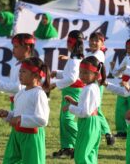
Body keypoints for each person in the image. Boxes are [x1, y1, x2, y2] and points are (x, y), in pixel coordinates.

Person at [0, 57, 50, 164]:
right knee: (10, 161)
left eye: (24, 71)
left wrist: (20, 119)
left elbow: (42, 120)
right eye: (20, 71)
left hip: (32, 137)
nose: (20, 74)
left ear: (35, 75)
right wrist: (8, 115)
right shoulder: (21, 93)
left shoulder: (39, 94)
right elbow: (18, 113)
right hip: (17, 134)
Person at [63, 56, 104, 164]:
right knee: (89, 154)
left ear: (96, 74)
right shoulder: (91, 87)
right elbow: (87, 106)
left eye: (86, 73)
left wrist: (70, 108)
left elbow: (85, 112)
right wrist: (74, 102)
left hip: (88, 123)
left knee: (81, 155)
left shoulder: (90, 89)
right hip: (91, 122)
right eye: (80, 72)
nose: (82, 75)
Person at [50, 30, 84, 158]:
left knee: (67, 119)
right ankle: (68, 147)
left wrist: (55, 84)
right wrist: (58, 73)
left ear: (73, 43)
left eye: (68, 41)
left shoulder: (75, 59)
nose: (67, 44)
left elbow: (72, 79)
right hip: (69, 90)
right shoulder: (74, 58)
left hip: (74, 90)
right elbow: (69, 75)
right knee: (63, 119)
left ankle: (83, 138)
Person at [0, 33, 35, 109]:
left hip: (24, 105)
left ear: (27, 48)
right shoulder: (16, 64)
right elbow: (12, 84)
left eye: (16, 47)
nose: (13, 49)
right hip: (16, 103)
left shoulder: (29, 65)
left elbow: (19, 87)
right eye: (13, 47)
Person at [86, 32, 114, 145]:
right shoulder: (92, 53)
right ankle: (106, 133)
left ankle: (107, 133)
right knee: (95, 108)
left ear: (102, 43)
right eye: (92, 40)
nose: (93, 42)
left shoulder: (99, 54)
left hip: (97, 83)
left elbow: (90, 66)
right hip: (93, 83)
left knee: (96, 108)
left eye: (97, 40)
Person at [110, 38, 130, 138]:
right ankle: (121, 130)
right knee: (120, 108)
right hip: (123, 86)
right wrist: (113, 68)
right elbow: (117, 73)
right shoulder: (126, 59)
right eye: (128, 48)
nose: (129, 50)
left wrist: (126, 69)